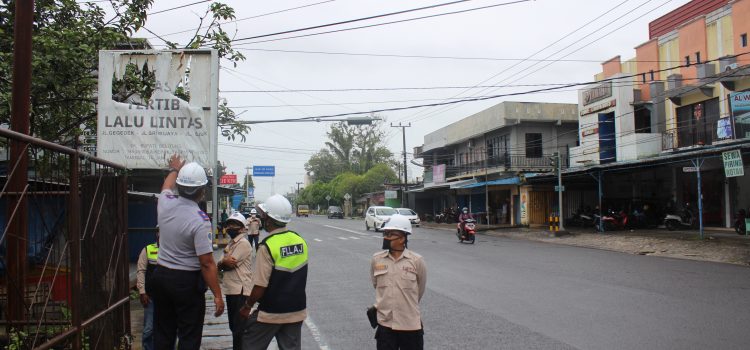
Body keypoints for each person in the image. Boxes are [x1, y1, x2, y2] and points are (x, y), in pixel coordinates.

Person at [148, 154, 224, 350]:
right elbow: (206, 262)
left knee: (163, 332)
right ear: (201, 191)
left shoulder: (164, 203)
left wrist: (175, 168)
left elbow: (165, 187)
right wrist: (217, 294)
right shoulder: (200, 220)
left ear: (179, 186)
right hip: (186, 283)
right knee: (189, 335)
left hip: (161, 276)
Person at [239, 194, 308, 350]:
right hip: (296, 310)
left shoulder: (267, 246)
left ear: (268, 219)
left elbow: (260, 286)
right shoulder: (300, 241)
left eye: (263, 216)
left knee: (250, 342)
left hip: (271, 312)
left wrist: (247, 306)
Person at [370, 214, 427, 350]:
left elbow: (420, 290)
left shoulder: (417, 261)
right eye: (385, 233)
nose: (385, 237)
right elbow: (376, 285)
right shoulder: (377, 260)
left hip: (410, 325)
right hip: (385, 326)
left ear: (402, 238)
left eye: (390, 234)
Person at [219, 212, 254, 350]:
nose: (230, 227)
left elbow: (229, 263)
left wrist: (222, 263)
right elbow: (221, 263)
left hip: (240, 290)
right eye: (229, 224)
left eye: (234, 224)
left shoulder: (243, 243)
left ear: (241, 228)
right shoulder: (232, 243)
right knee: (234, 327)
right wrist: (222, 262)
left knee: (239, 329)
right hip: (232, 289)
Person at [136, 226, 159, 350]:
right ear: (156, 234)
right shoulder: (148, 249)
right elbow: (141, 271)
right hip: (151, 297)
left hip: (168, 298)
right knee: (148, 329)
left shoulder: (174, 250)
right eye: (160, 231)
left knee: (170, 328)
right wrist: (142, 292)